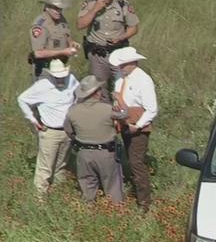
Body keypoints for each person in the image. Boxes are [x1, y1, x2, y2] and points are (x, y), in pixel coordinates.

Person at [17, 59, 79, 197]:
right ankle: (40, 199)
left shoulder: (72, 80)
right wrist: (33, 119)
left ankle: (59, 194)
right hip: (50, 132)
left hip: (68, 131)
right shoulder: (42, 86)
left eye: (62, 76)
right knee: (45, 168)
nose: (61, 80)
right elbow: (22, 99)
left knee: (61, 165)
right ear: (51, 76)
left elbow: (79, 94)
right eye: (57, 77)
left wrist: (74, 110)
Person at [64, 75, 127, 203]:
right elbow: (125, 114)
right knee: (113, 187)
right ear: (96, 92)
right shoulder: (107, 109)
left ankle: (88, 214)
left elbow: (69, 131)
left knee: (87, 187)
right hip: (106, 153)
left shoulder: (72, 111)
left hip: (83, 153)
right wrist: (119, 100)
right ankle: (116, 214)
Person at [109, 46, 158, 212]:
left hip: (137, 126)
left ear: (132, 63)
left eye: (122, 65)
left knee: (136, 162)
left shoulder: (144, 81)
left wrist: (137, 126)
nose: (120, 68)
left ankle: (144, 203)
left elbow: (151, 109)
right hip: (124, 123)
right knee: (131, 159)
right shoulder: (121, 78)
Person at [77, 0, 139, 102]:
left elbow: (133, 28)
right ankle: (104, 113)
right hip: (97, 54)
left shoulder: (123, 5)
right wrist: (95, 9)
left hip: (118, 54)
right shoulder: (90, 4)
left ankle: (122, 112)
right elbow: (80, 25)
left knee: (123, 85)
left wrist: (121, 37)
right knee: (99, 88)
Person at [29, 0, 80, 79]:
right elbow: (38, 53)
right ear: (47, 7)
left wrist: (72, 44)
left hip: (60, 67)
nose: (59, 11)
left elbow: (67, 36)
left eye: (60, 8)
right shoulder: (40, 25)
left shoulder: (61, 18)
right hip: (45, 70)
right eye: (55, 8)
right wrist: (63, 52)